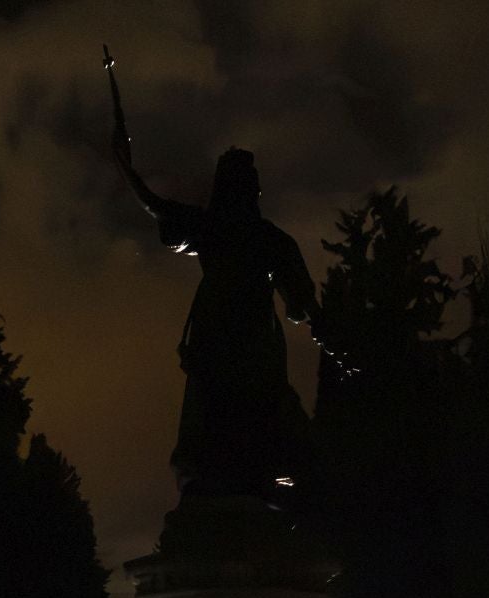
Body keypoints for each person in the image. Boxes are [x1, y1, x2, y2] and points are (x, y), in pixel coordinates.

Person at [112, 118, 329, 497]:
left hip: (219, 338)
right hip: (247, 339)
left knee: (215, 417)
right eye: (250, 182)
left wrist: (126, 169)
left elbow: (156, 206)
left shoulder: (215, 228)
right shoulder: (265, 238)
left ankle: (229, 485)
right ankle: (259, 484)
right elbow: (303, 302)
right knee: (259, 414)